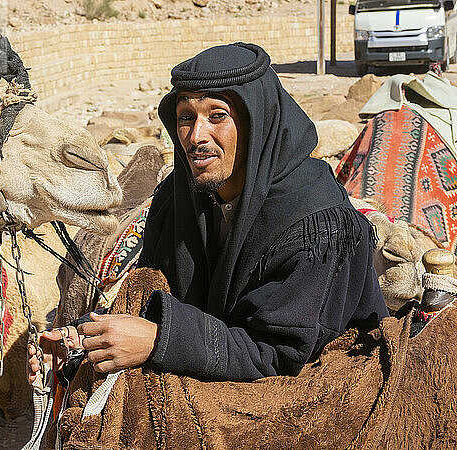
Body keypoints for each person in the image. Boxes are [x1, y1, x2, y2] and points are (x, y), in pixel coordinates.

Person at [28, 42, 388, 384]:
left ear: (255, 124)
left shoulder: (316, 225)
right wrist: (82, 340)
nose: (196, 135)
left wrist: (159, 339)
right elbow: (153, 296)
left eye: (217, 115)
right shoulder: (178, 198)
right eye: (186, 117)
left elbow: (278, 355)